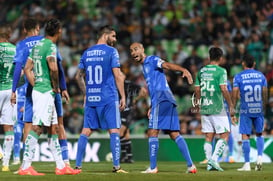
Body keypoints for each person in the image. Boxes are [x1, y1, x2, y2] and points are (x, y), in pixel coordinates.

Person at [18, 18, 79, 176]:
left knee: (54, 129)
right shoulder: (50, 46)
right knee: (37, 128)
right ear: (59, 31)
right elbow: (53, 68)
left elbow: (27, 68)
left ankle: (60, 166)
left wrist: (35, 83)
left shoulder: (38, 45)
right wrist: (56, 87)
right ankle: (25, 166)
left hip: (41, 89)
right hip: (46, 92)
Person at [129, 42, 197, 174]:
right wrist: (151, 106)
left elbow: (166, 65)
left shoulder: (152, 59)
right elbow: (153, 87)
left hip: (162, 98)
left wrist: (183, 70)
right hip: (166, 99)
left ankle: (153, 167)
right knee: (174, 134)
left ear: (143, 49)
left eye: (136, 49)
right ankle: (191, 165)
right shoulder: (144, 67)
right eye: (131, 51)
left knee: (152, 132)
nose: (133, 53)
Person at [75, 25, 127, 173]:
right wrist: (123, 96)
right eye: (113, 36)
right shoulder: (111, 52)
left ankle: (78, 166)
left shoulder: (87, 52)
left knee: (86, 131)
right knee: (114, 130)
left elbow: (78, 76)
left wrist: (86, 93)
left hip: (92, 97)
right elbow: (118, 75)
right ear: (106, 35)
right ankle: (117, 167)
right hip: (108, 97)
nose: (115, 40)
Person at [194, 47, 235, 171]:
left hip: (205, 107)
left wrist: (198, 102)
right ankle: (214, 159)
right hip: (217, 107)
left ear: (209, 57)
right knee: (225, 134)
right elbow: (223, 88)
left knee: (208, 136)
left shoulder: (201, 71)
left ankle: (209, 162)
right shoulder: (221, 71)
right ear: (220, 58)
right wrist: (231, 105)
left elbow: (197, 89)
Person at [232, 53, 267, 171]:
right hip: (259, 109)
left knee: (245, 135)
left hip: (245, 109)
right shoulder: (261, 76)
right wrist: (264, 107)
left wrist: (232, 109)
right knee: (259, 134)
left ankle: (247, 164)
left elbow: (235, 95)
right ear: (254, 64)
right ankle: (260, 157)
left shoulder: (238, 77)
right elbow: (265, 93)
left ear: (243, 63)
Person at [0, 23, 17, 172]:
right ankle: (5, 163)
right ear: (9, 35)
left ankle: (0, 152)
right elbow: (21, 72)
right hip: (10, 91)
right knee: (9, 127)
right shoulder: (15, 49)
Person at [120, 80, 147, 163]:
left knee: (120, 133)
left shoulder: (128, 84)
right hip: (121, 111)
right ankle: (128, 156)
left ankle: (125, 155)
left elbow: (144, 91)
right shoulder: (116, 84)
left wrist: (135, 100)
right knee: (125, 133)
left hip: (128, 111)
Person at [12, 83, 26, 165]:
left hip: (27, 116)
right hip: (17, 117)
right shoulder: (14, 89)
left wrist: (26, 107)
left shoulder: (28, 87)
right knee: (17, 135)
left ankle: (25, 158)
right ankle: (16, 157)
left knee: (26, 137)